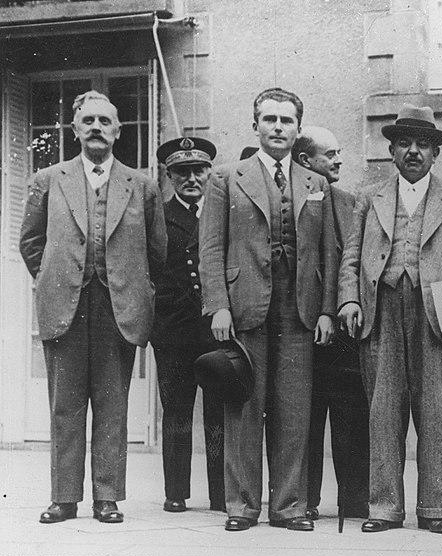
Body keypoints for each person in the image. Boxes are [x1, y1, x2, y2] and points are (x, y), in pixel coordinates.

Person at [20, 90, 166, 524]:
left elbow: (157, 252)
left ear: (118, 131)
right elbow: (30, 243)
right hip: (66, 304)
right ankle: (64, 497)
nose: (97, 128)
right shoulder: (48, 180)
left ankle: (107, 496)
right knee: (64, 405)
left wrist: (134, 289)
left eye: (105, 121)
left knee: (112, 404)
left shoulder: (142, 185)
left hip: (117, 306)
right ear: (75, 129)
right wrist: (55, 278)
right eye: (89, 121)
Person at [338, 104, 442, 535]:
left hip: (437, 309)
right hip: (381, 307)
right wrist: (349, 301)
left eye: (423, 144)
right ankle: (384, 507)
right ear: (392, 151)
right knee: (383, 408)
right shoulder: (370, 197)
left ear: (436, 153)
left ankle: (435, 508)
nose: (414, 152)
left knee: (434, 409)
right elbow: (350, 258)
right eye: (405, 144)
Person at [199, 87, 337, 532]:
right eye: (270, 119)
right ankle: (241, 506)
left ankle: (289, 506)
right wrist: (218, 305)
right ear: (255, 124)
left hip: (299, 306)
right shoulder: (226, 178)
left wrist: (326, 311)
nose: (278, 127)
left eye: (287, 121)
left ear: (298, 129)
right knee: (243, 404)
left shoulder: (316, 183)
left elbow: (327, 252)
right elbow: (211, 248)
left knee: (294, 410)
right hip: (244, 305)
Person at [292, 126, 370, 522]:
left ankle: (355, 501)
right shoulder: (293, 199)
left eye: (340, 153)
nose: (339, 160)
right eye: (330, 154)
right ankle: (303, 499)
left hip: (344, 332)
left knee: (351, 416)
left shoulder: (351, 202)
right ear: (306, 161)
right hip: (301, 327)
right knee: (304, 419)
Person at [152, 136, 225, 514]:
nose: (191, 178)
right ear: (169, 175)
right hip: (174, 332)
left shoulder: (220, 213)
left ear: (210, 172)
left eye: (198, 170)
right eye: (182, 172)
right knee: (177, 412)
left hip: (215, 330)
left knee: (217, 414)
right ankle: (176, 491)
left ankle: (219, 493)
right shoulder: (159, 215)